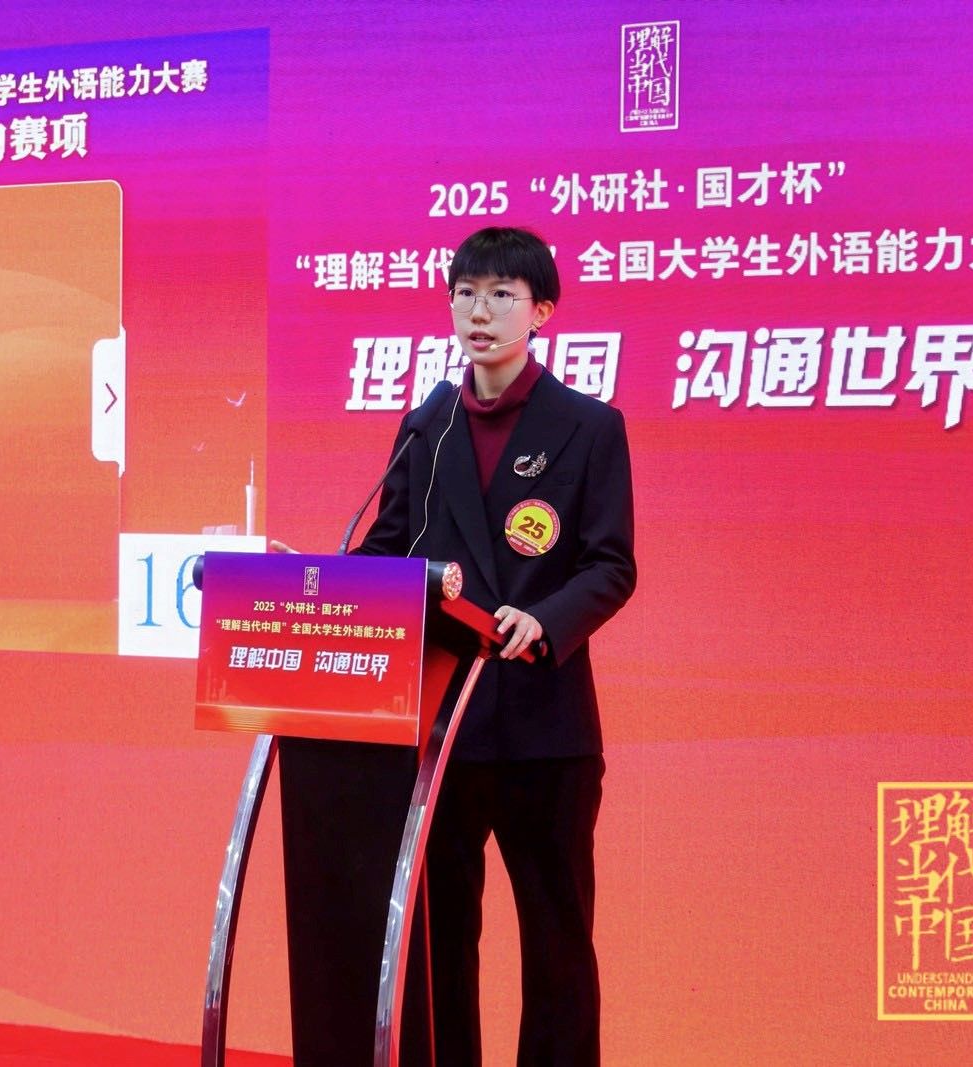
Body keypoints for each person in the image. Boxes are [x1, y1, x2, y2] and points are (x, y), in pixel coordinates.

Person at [352, 226, 636, 1065]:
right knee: (438, 938)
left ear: (541, 311)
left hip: (544, 728)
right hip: (442, 730)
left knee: (556, 940)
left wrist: (546, 619)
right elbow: (386, 550)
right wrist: (319, 585)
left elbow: (610, 565)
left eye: (502, 296)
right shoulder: (427, 425)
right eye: (466, 294)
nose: (479, 313)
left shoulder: (588, 426)